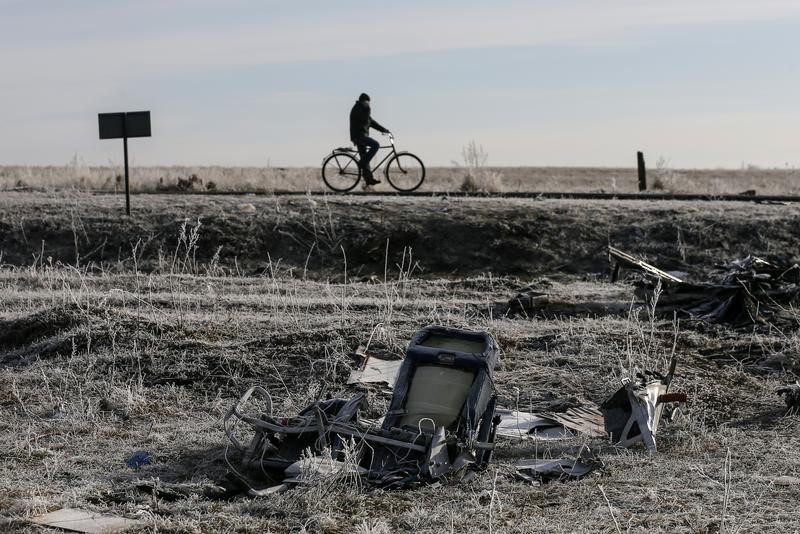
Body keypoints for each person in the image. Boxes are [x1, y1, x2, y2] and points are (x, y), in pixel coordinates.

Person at [349, 93, 390, 186]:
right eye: (367, 102)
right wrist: (368, 109)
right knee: (376, 145)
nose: (368, 104)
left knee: (365, 158)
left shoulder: (363, 110)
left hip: (361, 136)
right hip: (358, 136)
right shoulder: (358, 108)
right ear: (363, 101)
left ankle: (369, 181)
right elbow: (364, 120)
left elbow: (372, 123)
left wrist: (385, 130)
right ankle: (362, 163)